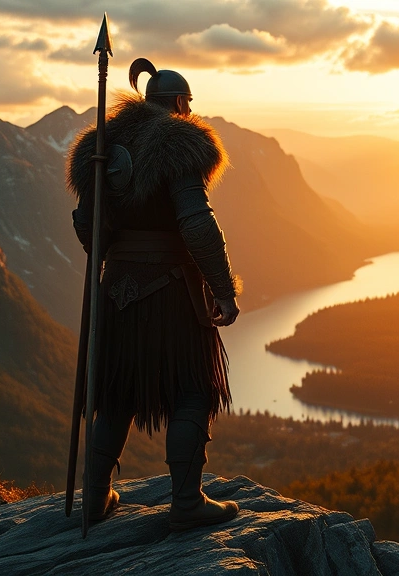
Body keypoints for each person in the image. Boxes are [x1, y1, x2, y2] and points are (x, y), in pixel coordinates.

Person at [66, 57, 241, 532]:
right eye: (187, 104)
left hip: (116, 291)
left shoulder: (104, 148)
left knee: (119, 388)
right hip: (172, 292)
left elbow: (86, 222)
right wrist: (223, 291)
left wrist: (111, 256)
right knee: (192, 388)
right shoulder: (178, 142)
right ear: (180, 104)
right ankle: (186, 501)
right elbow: (197, 224)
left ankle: (95, 498)